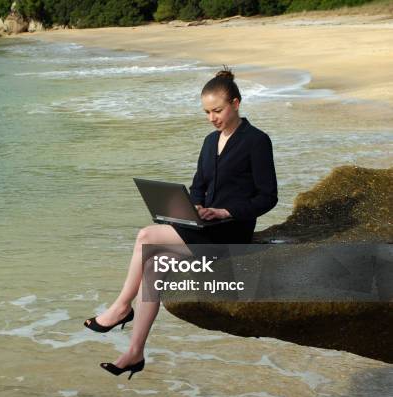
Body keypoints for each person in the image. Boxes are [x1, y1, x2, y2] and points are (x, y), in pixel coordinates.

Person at [83, 68, 278, 379]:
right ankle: (135, 352)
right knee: (153, 267)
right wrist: (195, 206)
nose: (212, 118)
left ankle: (121, 307)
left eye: (218, 110)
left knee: (146, 235)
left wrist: (226, 212)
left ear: (236, 103)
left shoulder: (256, 141)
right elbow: (198, 185)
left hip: (231, 233)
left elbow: (268, 197)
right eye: (207, 112)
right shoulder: (208, 142)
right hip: (204, 227)